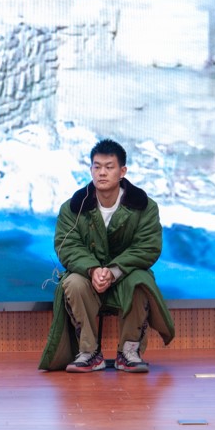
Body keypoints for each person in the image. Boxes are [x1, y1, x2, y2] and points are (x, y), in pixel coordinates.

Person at [39, 139, 175, 373]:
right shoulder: (73, 207)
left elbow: (148, 247)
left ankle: (129, 352)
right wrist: (93, 269)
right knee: (72, 282)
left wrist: (113, 271)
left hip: (126, 275)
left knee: (141, 281)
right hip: (87, 276)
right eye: (97, 166)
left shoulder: (144, 206)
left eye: (109, 167)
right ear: (91, 169)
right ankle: (89, 352)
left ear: (122, 171)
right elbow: (66, 245)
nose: (102, 172)